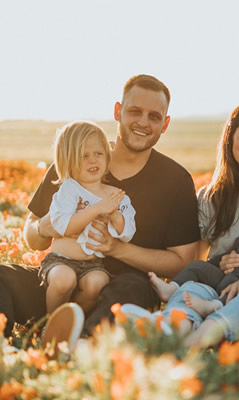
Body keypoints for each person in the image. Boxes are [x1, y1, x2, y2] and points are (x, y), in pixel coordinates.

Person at [0, 74, 200, 341]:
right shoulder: (74, 160)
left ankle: (80, 343)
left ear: (165, 124)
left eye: (154, 116)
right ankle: (24, 339)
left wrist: (118, 248)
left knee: (130, 291)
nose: (143, 122)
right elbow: (32, 236)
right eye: (135, 111)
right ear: (118, 111)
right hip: (60, 281)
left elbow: (182, 263)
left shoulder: (175, 180)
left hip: (121, 290)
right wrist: (44, 226)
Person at [122, 96, 239, 348]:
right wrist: (219, 263)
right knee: (193, 287)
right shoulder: (211, 196)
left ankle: (194, 343)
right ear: (231, 135)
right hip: (222, 293)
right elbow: (194, 260)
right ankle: (171, 329)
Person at [149, 177, 239, 317]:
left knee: (236, 291)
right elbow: (222, 257)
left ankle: (213, 306)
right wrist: (217, 264)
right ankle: (171, 289)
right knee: (197, 266)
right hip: (225, 278)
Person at [40, 121, 136, 314]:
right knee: (63, 280)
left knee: (97, 283)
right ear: (68, 160)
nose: (93, 161)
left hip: (93, 264)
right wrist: (96, 209)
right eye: (84, 156)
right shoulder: (69, 188)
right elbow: (63, 226)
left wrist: (116, 216)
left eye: (98, 154)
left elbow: (127, 233)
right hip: (61, 260)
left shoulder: (116, 195)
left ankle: (75, 322)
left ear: (107, 157)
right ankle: (50, 323)